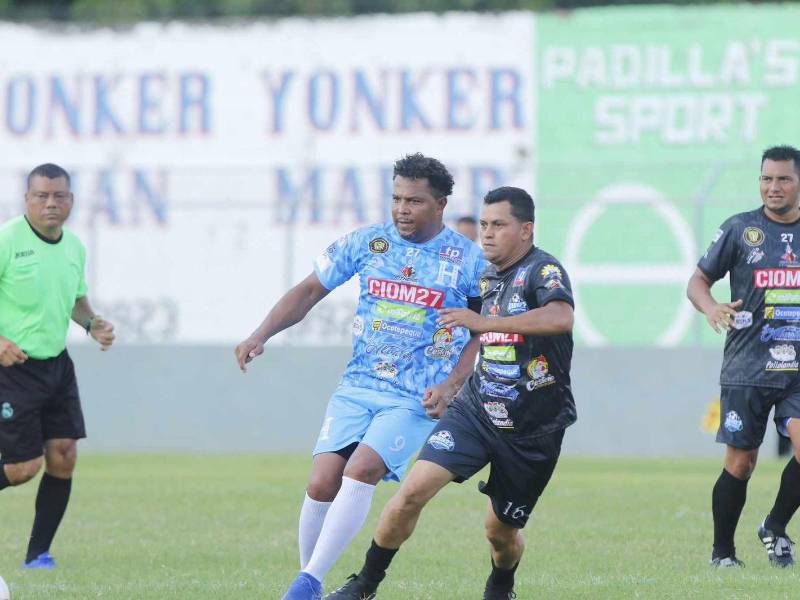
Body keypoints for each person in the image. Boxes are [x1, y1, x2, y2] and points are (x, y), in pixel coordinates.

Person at [234, 153, 486, 599]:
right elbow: (311, 289)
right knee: (321, 482)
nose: (403, 209)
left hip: (415, 395)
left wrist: (451, 385)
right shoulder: (370, 242)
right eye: (396, 198)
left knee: (362, 469)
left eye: (415, 201)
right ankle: (311, 582)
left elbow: (482, 332)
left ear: (441, 204)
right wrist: (261, 333)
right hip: (357, 386)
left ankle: (304, 585)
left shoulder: (467, 259)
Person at [325, 186, 576, 600]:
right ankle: (364, 585)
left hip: (533, 428)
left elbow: (560, 316)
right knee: (411, 493)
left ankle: (501, 584)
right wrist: (449, 383)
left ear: (526, 230)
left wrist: (486, 325)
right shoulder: (484, 274)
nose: (488, 234)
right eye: (483, 225)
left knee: (499, 533)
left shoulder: (542, 271)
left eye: (499, 225)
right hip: (476, 413)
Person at [688, 145, 800, 568]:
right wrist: (712, 306)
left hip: (797, 370)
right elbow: (698, 280)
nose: (773, 187)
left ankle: (774, 525)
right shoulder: (739, 229)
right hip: (747, 367)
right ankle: (723, 553)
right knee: (742, 462)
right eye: (767, 178)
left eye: (783, 179)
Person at [0, 163, 115, 568]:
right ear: (26, 199)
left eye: (59, 196)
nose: (51, 203)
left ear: (71, 200)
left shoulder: (74, 247)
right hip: (13, 370)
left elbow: (75, 301)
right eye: (42, 196)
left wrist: (91, 324)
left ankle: (38, 555)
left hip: (57, 366)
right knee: (20, 468)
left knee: (64, 455)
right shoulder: (7, 239)